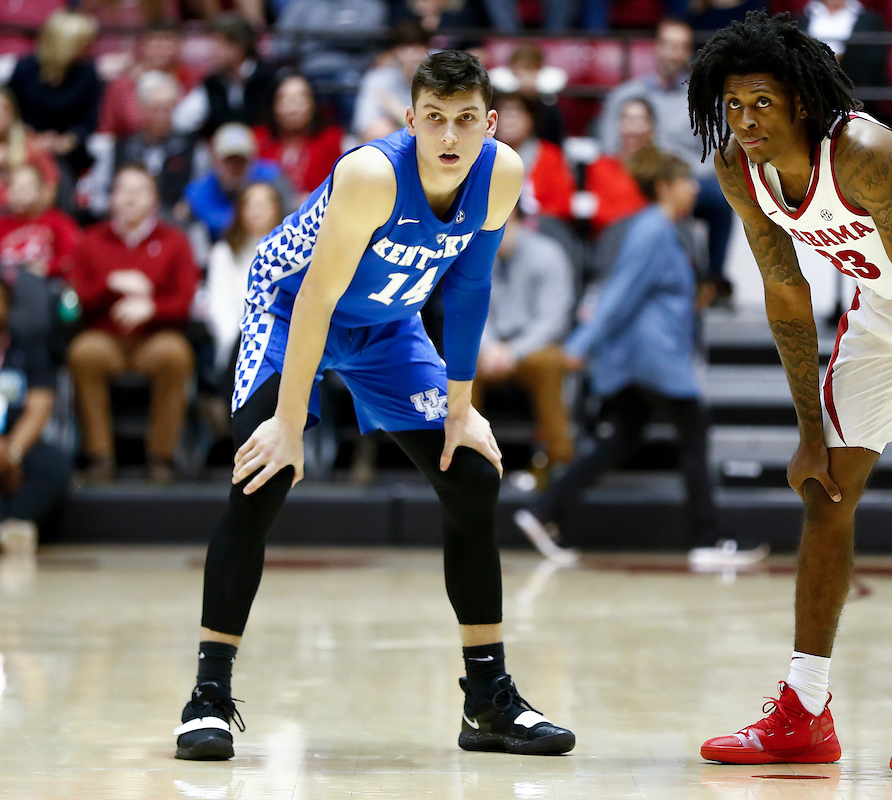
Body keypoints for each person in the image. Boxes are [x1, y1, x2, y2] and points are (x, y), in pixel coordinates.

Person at [172, 50, 574, 762]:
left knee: (473, 476)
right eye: (434, 121)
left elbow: (471, 286)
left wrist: (461, 405)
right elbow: (318, 298)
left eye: (465, 122)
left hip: (389, 323)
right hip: (293, 311)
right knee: (261, 476)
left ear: (491, 122)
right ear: (411, 119)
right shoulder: (370, 174)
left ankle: (486, 700)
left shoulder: (502, 172)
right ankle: (207, 696)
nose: (450, 138)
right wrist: (289, 425)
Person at [687, 11, 892, 776]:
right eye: (734, 105)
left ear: (801, 102)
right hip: (882, 298)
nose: (745, 121)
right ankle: (804, 710)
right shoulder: (738, 168)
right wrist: (811, 432)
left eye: (762, 104)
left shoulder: (865, 151)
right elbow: (784, 290)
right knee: (828, 488)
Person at [513, 148, 760, 568]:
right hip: (655, 358)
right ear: (664, 186)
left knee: (621, 438)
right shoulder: (653, 231)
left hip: (647, 358)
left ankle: (544, 511)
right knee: (694, 434)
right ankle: (707, 540)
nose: (692, 189)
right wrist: (579, 345)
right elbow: (620, 293)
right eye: (685, 180)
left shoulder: (666, 229)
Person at [67, 164, 199, 483]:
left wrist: (151, 308)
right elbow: (75, 302)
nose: (130, 198)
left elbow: (184, 302)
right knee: (82, 353)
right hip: (105, 339)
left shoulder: (174, 241)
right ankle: (98, 455)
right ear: (111, 197)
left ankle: (161, 456)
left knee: (176, 354)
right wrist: (111, 282)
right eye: (123, 190)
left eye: (139, 191)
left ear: (154, 199)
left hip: (154, 339)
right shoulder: (90, 240)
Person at [597, 18, 734, 293]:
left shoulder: (703, 99)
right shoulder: (626, 94)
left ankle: (711, 282)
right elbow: (608, 145)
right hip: (636, 172)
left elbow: (717, 153)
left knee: (723, 198)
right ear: (655, 48)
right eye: (668, 45)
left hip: (688, 176)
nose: (673, 53)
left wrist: (684, 174)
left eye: (680, 47)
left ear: (688, 52)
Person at [472, 203, 574, 473]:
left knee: (549, 362)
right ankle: (465, 458)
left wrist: (513, 352)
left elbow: (554, 320)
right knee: (459, 363)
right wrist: (491, 347)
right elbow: (468, 311)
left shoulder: (548, 253)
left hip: (533, 348)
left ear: (514, 215)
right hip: (490, 348)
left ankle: (558, 459)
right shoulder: (474, 254)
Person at [0, 278, 72, 558]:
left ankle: (12, 523)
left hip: (20, 442)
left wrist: (13, 453)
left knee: (53, 466)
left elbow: (40, 404)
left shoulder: (28, 345)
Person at [6, 10, 102, 192]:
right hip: (25, 144)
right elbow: (10, 111)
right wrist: (30, 137)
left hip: (69, 151)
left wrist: (68, 140)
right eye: (84, 44)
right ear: (65, 44)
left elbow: (90, 120)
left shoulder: (88, 72)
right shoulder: (26, 68)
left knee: (60, 172)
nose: (90, 49)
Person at [204, 182, 285, 395]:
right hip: (238, 347)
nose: (257, 211)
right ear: (240, 211)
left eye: (264, 204)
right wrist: (242, 343)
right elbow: (218, 307)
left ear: (278, 209)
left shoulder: (294, 253)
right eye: (250, 204)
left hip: (287, 346)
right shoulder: (223, 253)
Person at [101, 71, 201, 220]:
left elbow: (201, 187)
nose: (161, 115)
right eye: (155, 109)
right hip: (126, 220)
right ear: (141, 109)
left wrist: (189, 204)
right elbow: (100, 194)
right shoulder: (121, 147)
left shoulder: (191, 147)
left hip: (176, 223)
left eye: (167, 109)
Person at [172, 14, 276, 139]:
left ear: (239, 47)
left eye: (219, 46)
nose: (213, 52)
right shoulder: (212, 83)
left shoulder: (268, 79)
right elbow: (182, 121)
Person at [183, 122, 290, 242]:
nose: (235, 167)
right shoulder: (199, 190)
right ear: (215, 161)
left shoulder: (273, 177)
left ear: (252, 160)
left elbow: (290, 212)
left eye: (241, 160)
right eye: (229, 161)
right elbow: (215, 223)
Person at [98, 22, 200, 141]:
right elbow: (108, 126)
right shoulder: (122, 85)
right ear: (143, 46)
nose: (161, 50)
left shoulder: (192, 81)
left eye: (166, 43)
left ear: (179, 46)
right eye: (155, 44)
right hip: (130, 150)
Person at [254, 74, 345, 196]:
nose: (293, 108)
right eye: (284, 100)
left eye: (300, 99)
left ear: (313, 104)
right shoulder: (259, 139)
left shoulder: (330, 139)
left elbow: (338, 185)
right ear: (273, 105)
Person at [494, 93, 574, 220]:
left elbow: (563, 204)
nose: (508, 120)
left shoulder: (549, 155)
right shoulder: (481, 155)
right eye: (503, 113)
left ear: (531, 120)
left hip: (539, 226)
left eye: (516, 114)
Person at [351, 22, 430, 143]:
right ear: (395, 51)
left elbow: (434, 127)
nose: (415, 54)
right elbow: (365, 126)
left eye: (420, 47)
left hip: (425, 144)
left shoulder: (438, 78)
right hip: (391, 146)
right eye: (407, 48)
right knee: (380, 131)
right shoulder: (377, 79)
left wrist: (398, 112)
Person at [584, 98, 653, 234]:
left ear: (651, 126)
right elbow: (599, 214)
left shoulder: (661, 168)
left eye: (640, 120)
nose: (633, 128)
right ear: (618, 125)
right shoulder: (600, 166)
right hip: (611, 238)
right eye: (627, 119)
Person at [0, 165, 80, 280]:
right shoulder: (2, 224)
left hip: (46, 286)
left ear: (40, 191)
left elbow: (73, 258)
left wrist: (49, 268)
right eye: (14, 188)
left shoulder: (58, 222)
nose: (18, 194)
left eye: (24, 188)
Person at [489, 44, 566, 146]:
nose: (526, 76)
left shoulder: (550, 107)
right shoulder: (497, 101)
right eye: (522, 69)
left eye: (531, 69)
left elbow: (555, 139)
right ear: (512, 70)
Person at [0, 88, 60, 211]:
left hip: (24, 217)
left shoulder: (31, 144)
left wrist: (30, 205)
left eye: (5, 108)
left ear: (13, 112)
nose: (0, 114)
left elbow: (51, 185)